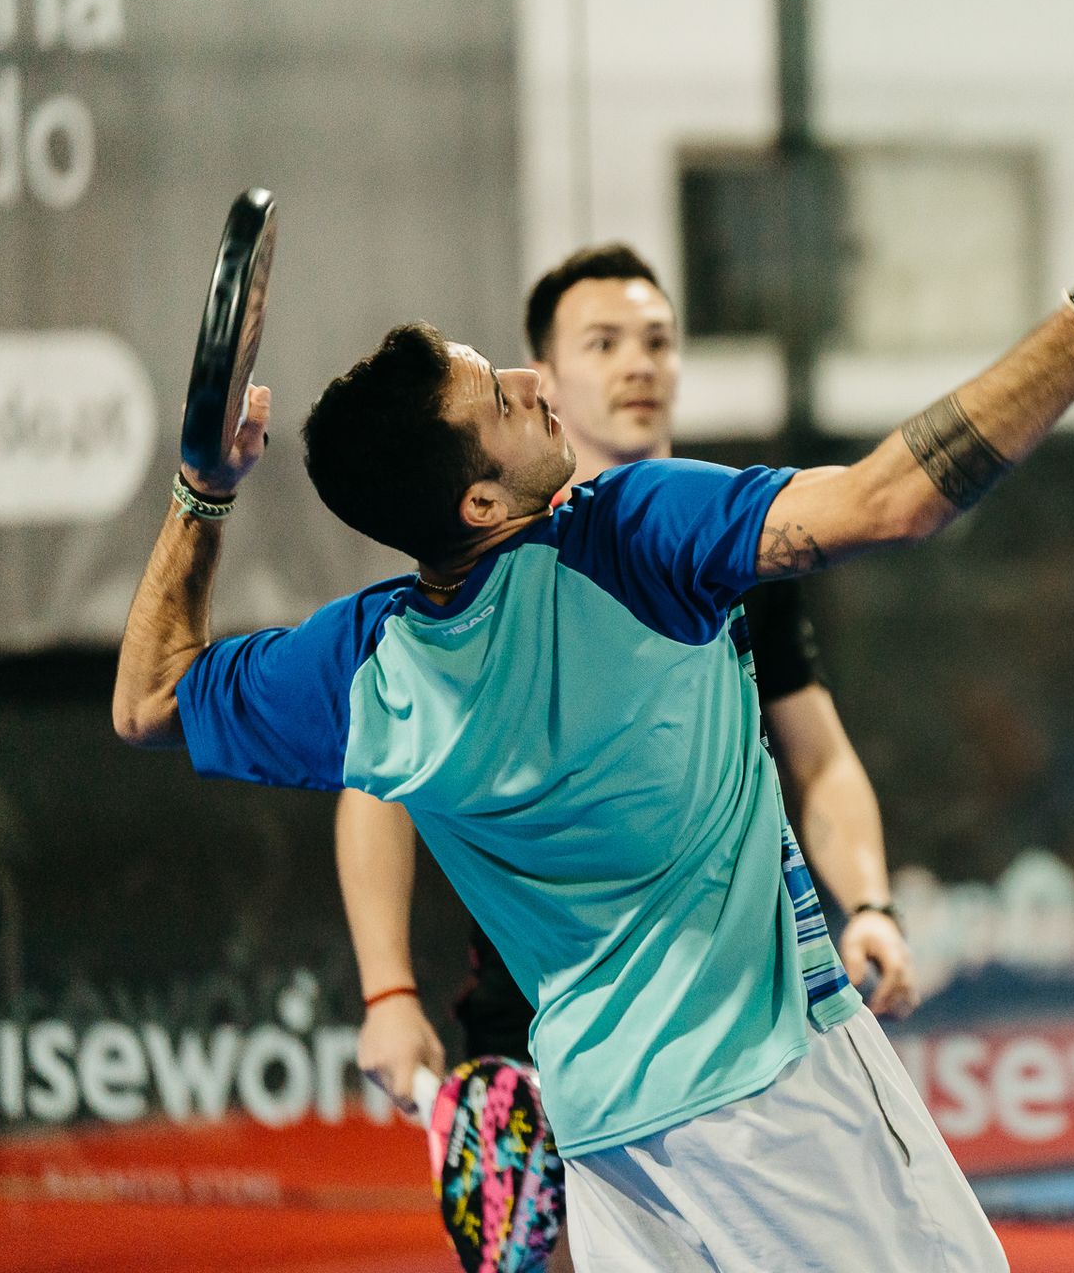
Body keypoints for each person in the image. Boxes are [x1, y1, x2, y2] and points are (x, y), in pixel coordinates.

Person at [113, 128, 1074, 1271]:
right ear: (480, 501)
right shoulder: (628, 536)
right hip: (781, 1096)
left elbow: (147, 697)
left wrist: (203, 489)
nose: (531, 383)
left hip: (607, 1142)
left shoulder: (363, 664)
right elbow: (896, 499)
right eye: (500, 393)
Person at [338, 243, 917, 1271]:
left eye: (657, 340)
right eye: (603, 343)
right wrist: (388, 992)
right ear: (546, 380)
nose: (640, 363)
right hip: (543, 1031)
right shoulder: (469, 585)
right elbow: (376, 785)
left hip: (728, 1027)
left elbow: (818, 757)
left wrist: (868, 901)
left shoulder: (726, 538)